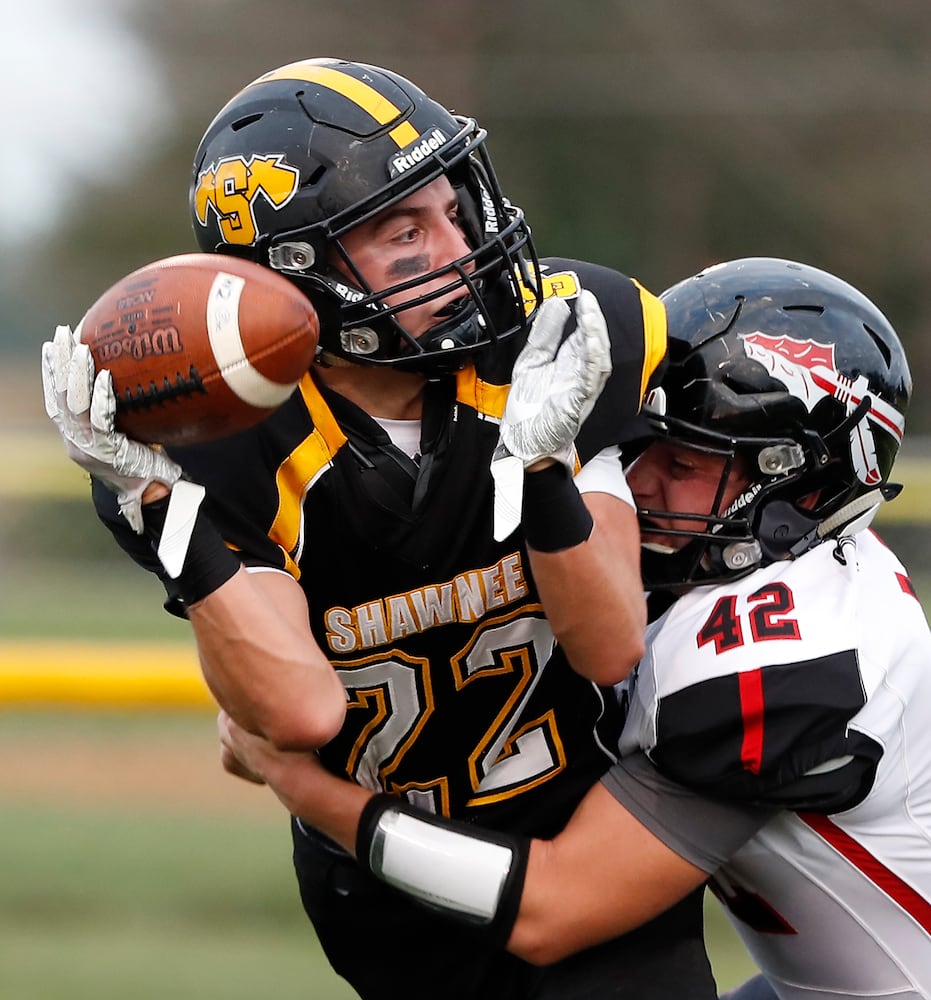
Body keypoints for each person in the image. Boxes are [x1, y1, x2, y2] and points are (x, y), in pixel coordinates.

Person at [40, 58, 718, 998]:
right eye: (406, 231)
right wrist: (163, 517)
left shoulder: (557, 333)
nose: (458, 245)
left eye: (453, 206)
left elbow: (606, 648)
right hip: (384, 885)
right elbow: (300, 716)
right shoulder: (224, 447)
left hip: (580, 827)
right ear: (299, 276)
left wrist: (545, 467)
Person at [218, 257, 931, 1000]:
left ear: (802, 487)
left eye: (686, 460)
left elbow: (551, 912)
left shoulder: (794, 659)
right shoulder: (710, 573)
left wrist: (305, 789)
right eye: (636, 446)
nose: (639, 479)